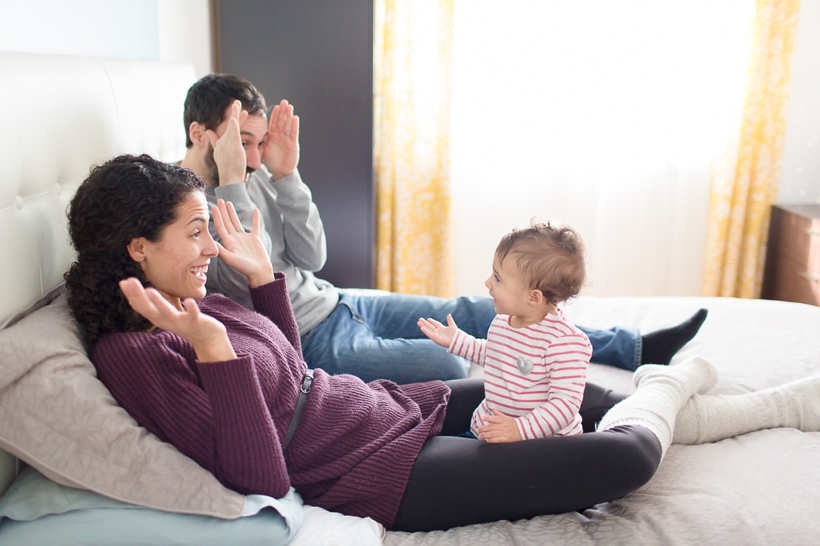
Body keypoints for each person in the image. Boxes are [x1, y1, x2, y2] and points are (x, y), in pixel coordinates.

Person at [64, 154, 820, 532]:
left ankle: (767, 404)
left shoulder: (182, 300)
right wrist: (215, 351)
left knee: (589, 395)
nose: (208, 245)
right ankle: (679, 383)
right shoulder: (136, 352)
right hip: (372, 471)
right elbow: (262, 473)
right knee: (620, 458)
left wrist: (264, 285)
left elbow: (291, 375)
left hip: (377, 410)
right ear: (136, 247)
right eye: (195, 231)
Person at [178, 74, 708, 384]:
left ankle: (633, 350)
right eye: (238, 141)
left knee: (478, 311)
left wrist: (288, 175)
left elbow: (312, 257)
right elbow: (253, 275)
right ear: (199, 133)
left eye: (255, 141)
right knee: (450, 362)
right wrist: (231, 183)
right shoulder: (186, 205)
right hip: (310, 338)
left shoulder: (257, 175)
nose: (251, 155)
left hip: (338, 299)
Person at [419, 220, 591, 443]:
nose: (488, 282)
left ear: (534, 297)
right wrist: (457, 340)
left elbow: (564, 405)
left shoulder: (564, 342)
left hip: (541, 445)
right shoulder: (503, 322)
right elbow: (495, 355)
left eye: (498, 278)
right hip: (492, 430)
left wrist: (520, 429)